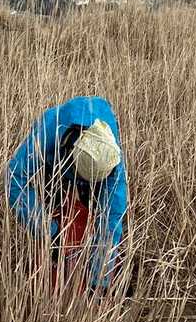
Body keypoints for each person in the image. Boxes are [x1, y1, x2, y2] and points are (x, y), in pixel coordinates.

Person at [7, 95, 128, 290]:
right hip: (54, 167)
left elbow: (112, 217)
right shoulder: (48, 131)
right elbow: (14, 179)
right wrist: (49, 232)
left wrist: (100, 279)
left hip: (93, 171)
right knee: (55, 209)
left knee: (102, 222)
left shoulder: (111, 159)